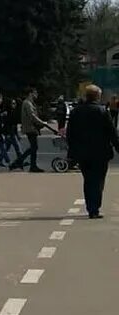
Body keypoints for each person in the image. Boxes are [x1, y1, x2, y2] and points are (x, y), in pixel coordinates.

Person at [66, 84, 119, 219]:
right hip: (101, 152)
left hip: (82, 153)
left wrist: (72, 151)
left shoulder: (76, 112)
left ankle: (91, 207)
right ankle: (94, 208)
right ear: (97, 96)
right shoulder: (102, 111)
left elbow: (70, 134)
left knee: (88, 179)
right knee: (98, 180)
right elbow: (111, 132)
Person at [9, 87, 53, 172]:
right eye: (35, 93)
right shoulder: (27, 103)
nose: (36, 95)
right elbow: (32, 116)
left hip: (31, 128)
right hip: (30, 128)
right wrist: (42, 123)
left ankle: (22, 163)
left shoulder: (30, 103)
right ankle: (23, 164)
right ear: (30, 93)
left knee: (33, 147)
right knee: (33, 147)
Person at [2, 97, 23, 164]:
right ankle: (20, 162)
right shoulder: (7, 113)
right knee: (18, 148)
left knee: (6, 148)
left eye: (15, 103)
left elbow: (15, 124)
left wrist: (17, 134)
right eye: (13, 103)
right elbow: (7, 124)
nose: (14, 105)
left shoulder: (13, 112)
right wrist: (7, 134)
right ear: (9, 104)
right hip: (9, 133)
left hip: (13, 132)